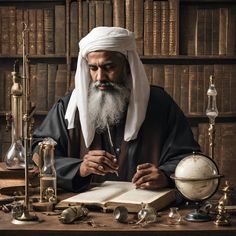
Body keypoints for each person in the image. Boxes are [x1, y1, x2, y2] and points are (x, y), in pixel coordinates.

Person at [32, 27, 200, 192]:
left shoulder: (159, 104)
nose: (100, 77)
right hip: (83, 210)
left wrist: (165, 175)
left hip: (145, 209)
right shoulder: (69, 107)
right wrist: (79, 168)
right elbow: (38, 151)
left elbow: (190, 159)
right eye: (93, 68)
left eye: (108, 67)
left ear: (127, 66)